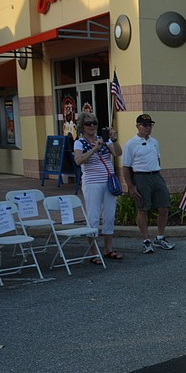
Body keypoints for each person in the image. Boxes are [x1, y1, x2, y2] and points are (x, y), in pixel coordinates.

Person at [72, 112, 123, 262]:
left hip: (108, 181)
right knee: (93, 216)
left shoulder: (103, 140)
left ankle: (108, 249)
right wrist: (94, 149)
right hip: (92, 182)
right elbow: (78, 161)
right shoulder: (80, 143)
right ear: (82, 126)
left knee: (109, 215)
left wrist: (113, 139)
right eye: (88, 123)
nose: (92, 126)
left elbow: (118, 153)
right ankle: (93, 252)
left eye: (94, 122)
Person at [122, 114, 175, 254]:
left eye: (150, 125)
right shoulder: (131, 144)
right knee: (143, 209)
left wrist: (157, 173)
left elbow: (158, 159)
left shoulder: (154, 142)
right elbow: (126, 167)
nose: (148, 128)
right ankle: (146, 240)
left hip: (155, 175)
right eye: (144, 125)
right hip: (141, 176)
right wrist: (131, 186)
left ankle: (160, 237)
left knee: (164, 206)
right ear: (137, 126)